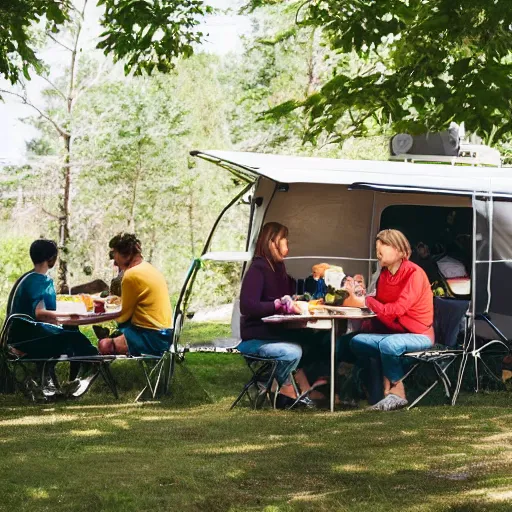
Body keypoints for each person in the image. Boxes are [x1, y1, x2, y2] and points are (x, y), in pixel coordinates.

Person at [342, 229, 434, 411]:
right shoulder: (384, 275)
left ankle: (397, 391)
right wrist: (363, 296)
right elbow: (381, 308)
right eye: (377, 247)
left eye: (384, 246)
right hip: (393, 335)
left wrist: (367, 300)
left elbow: (396, 310)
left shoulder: (414, 274)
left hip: (418, 335)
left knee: (388, 345)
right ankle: (377, 391)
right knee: (356, 341)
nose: (378, 251)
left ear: (400, 251)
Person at [238, 222, 327, 409]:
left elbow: (293, 289)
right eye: (284, 239)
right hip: (256, 336)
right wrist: (276, 305)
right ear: (272, 243)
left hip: (274, 332)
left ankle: (305, 389)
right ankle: (285, 388)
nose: (287, 244)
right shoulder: (258, 269)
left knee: (314, 340)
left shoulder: (278, 268)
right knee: (293, 351)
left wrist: (315, 280)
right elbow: (248, 306)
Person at [8, 239, 99, 397]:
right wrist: (69, 316)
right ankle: (90, 367)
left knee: (70, 332)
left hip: (17, 335)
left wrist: (64, 317)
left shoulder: (28, 278)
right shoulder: (41, 281)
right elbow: (40, 313)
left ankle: (61, 380)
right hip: (28, 339)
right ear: (52, 259)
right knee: (74, 337)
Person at [97, 233, 173, 357]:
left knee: (104, 345)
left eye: (114, 256)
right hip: (166, 335)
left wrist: (106, 306)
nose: (115, 263)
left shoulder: (131, 276)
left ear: (124, 255)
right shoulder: (149, 268)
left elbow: (122, 316)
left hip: (152, 338)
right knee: (116, 334)